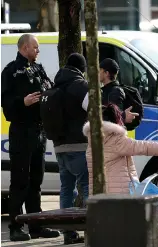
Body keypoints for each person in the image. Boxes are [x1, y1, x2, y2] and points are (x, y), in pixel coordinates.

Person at [1, 34, 60, 241]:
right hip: (21, 131)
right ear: (24, 47)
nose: (38, 51)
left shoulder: (39, 68)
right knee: (20, 181)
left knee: (36, 181)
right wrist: (22, 102)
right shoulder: (10, 72)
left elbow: (49, 88)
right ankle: (16, 227)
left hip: (39, 131)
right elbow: (6, 103)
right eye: (35, 47)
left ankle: (36, 226)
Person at [83, 103, 158, 195]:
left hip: (98, 196)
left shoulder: (91, 143)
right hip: (119, 197)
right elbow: (145, 147)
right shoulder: (117, 141)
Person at [53, 53, 89, 245]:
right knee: (87, 187)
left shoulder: (56, 84)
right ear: (82, 68)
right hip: (79, 146)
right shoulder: (81, 86)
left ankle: (68, 233)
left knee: (66, 189)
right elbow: (94, 109)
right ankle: (94, 229)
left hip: (59, 148)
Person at [100, 58, 139, 124]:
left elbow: (113, 116)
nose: (97, 73)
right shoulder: (106, 89)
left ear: (106, 73)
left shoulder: (116, 91)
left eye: (100, 70)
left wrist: (123, 116)